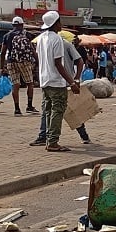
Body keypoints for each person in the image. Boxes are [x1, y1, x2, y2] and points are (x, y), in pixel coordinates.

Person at [31, 38, 91, 146]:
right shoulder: (45, 44)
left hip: (65, 82)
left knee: (72, 111)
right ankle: (43, 136)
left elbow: (79, 61)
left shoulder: (66, 45)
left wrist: (75, 80)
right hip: (51, 82)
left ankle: (83, 135)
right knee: (47, 110)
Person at [35, 11, 80, 152]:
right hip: (56, 81)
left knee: (48, 111)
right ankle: (53, 141)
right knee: (57, 111)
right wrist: (72, 82)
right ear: (55, 23)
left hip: (44, 80)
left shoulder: (41, 38)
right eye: (59, 22)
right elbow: (58, 64)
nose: (61, 24)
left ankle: (49, 139)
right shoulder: (57, 39)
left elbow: (39, 59)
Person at [1, 16, 39, 116]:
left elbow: (2, 52)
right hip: (24, 62)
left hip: (11, 61)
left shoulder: (7, 36)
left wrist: (2, 67)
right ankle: (29, 106)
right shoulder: (26, 34)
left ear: (13, 25)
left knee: (15, 85)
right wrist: (37, 61)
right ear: (22, 25)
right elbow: (31, 49)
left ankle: (17, 109)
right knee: (30, 83)